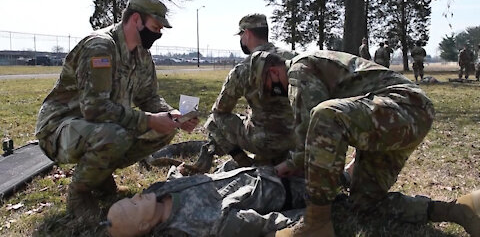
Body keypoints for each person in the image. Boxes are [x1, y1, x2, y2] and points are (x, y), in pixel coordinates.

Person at [247, 50, 480, 237]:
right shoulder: (311, 65)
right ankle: (458, 209)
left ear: (274, 72)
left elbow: (312, 126)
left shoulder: (299, 68)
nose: (273, 93)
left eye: (267, 88)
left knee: (325, 114)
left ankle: (316, 223)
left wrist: (291, 164)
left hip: (404, 106)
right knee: (364, 205)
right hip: (403, 116)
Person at [34, 0, 199, 217]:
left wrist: (172, 115)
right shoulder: (100, 48)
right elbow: (94, 109)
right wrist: (149, 120)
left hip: (97, 126)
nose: (159, 33)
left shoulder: (142, 55)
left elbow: (149, 97)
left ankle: (100, 177)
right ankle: (79, 193)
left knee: (162, 131)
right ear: (135, 20)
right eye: (156, 26)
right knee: (116, 135)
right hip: (59, 128)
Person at [197, 13, 297, 172]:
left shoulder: (243, 68)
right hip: (296, 139)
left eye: (241, 35)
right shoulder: (294, 59)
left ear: (247, 34)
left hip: (263, 141)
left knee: (214, 119)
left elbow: (221, 109)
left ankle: (246, 165)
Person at [106, 166, 306, 237]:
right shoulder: (201, 223)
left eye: (130, 198)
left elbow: (176, 183)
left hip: (261, 167)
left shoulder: (156, 192)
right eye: (133, 204)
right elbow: (265, 223)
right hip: (285, 189)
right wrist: (311, 217)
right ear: (143, 225)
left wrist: (177, 172)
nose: (136, 196)